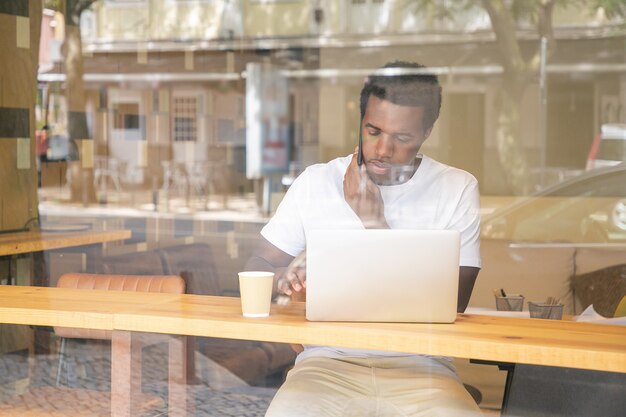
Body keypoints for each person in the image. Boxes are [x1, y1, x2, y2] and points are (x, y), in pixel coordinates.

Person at [245, 61, 482, 416]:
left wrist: (373, 221)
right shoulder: (315, 182)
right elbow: (258, 265)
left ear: (427, 132)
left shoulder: (456, 188)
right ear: (361, 122)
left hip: (423, 370)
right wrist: (283, 280)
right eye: (373, 131)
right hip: (325, 365)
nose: (383, 149)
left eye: (401, 138)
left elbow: (454, 303)